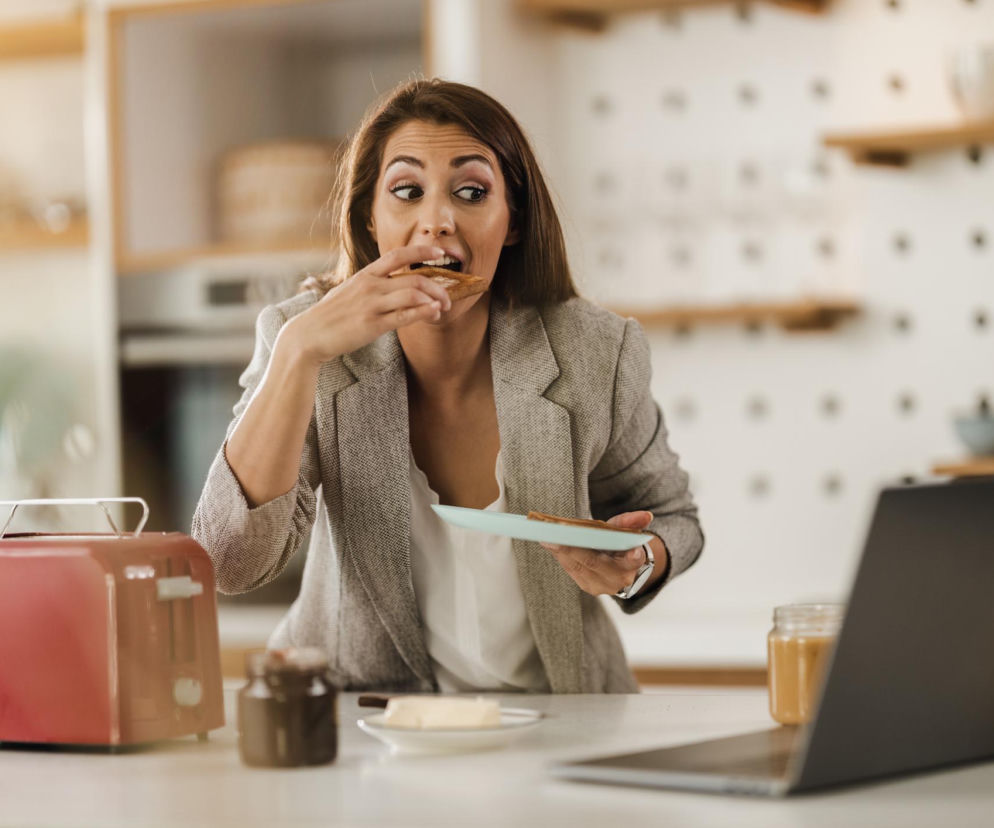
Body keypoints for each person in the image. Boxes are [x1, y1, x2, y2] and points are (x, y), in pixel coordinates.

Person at [192, 78, 702, 694]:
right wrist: (298, 353)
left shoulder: (593, 351)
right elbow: (229, 562)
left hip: (560, 721)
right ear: (370, 219)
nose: (436, 221)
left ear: (511, 220)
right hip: (366, 726)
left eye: (471, 192)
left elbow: (672, 518)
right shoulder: (303, 342)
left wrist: (638, 560)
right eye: (406, 192)